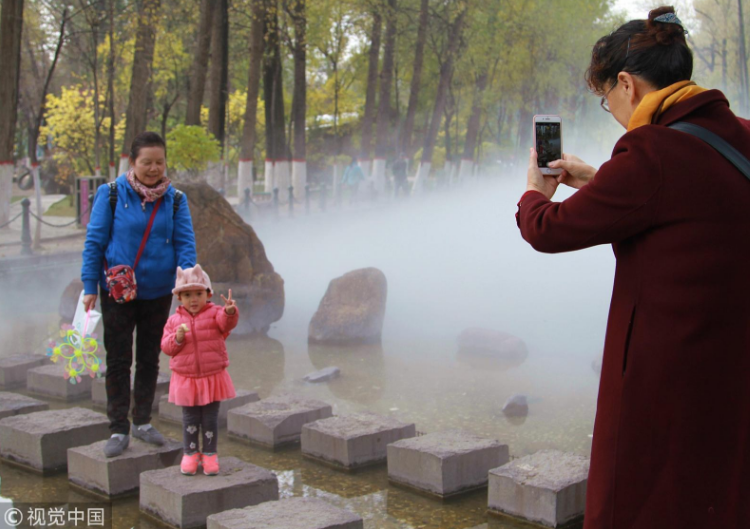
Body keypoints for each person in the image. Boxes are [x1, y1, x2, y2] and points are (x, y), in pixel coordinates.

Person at [517, 6, 750, 528]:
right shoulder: (740, 134)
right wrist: (600, 178)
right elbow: (689, 203)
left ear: (626, 83)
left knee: (643, 498)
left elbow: (547, 230)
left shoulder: (650, 151)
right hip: (732, 369)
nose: (614, 112)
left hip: (667, 380)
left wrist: (535, 191)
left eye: (607, 101)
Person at [81, 131, 196, 458]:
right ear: (133, 162)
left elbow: (185, 244)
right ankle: (118, 427)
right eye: (146, 162)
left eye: (159, 162)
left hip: (159, 292)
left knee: (149, 359)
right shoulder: (112, 194)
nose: (153, 168)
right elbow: (95, 242)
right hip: (118, 291)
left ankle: (142, 420)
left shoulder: (175, 200)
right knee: (118, 361)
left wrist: (188, 282)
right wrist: (90, 285)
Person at [160, 265, 238, 476]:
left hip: (212, 376)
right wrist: (177, 338)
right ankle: (191, 453)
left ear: (208, 294)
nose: (193, 299)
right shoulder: (174, 321)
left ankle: (210, 453)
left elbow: (226, 324)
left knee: (210, 418)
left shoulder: (215, 314)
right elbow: (166, 347)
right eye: (187, 295)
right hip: (187, 378)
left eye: (198, 293)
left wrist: (230, 312)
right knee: (190, 418)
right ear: (179, 297)